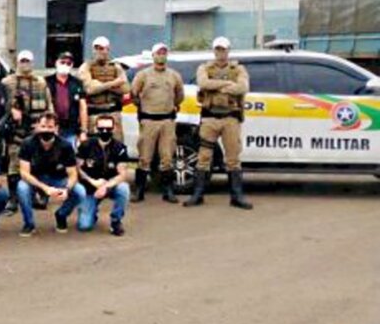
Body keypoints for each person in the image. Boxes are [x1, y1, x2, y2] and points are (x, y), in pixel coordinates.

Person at [185, 36, 253, 209]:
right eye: (217, 49)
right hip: (210, 118)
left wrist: (215, 86)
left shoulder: (238, 69)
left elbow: (243, 87)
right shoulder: (204, 67)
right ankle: (198, 194)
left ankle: (236, 196)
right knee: (204, 157)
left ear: (228, 50)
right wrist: (226, 84)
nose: (220, 53)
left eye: (223, 49)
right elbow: (203, 83)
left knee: (233, 158)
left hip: (231, 118)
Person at [16, 112, 86, 236]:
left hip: (58, 179)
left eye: (50, 127)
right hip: (35, 179)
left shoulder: (65, 146)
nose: (46, 130)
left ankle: (61, 215)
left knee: (80, 191)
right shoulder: (27, 143)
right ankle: (29, 224)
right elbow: (24, 173)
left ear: (56, 129)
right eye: (43, 126)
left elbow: (73, 174)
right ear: (36, 127)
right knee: (22, 187)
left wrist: (66, 189)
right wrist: (45, 189)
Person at [131, 42, 184, 203]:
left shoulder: (174, 75)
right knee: (145, 157)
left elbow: (179, 96)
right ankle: (139, 190)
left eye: (164, 53)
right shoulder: (143, 75)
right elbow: (134, 94)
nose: (161, 55)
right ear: (153, 55)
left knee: (167, 157)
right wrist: (143, 108)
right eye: (158, 53)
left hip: (167, 120)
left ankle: (167, 191)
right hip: (149, 120)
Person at [2, 49, 53, 213]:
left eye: (28, 61)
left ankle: (40, 195)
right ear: (17, 62)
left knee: (39, 164)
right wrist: (11, 112)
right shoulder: (7, 82)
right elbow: (0, 105)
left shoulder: (41, 82)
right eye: (22, 61)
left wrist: (50, 125)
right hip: (16, 132)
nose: (25, 64)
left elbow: (49, 105)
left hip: (36, 131)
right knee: (14, 165)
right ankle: (13, 199)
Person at [76, 115, 131, 236]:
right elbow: (78, 169)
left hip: (110, 185)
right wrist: (92, 181)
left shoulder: (120, 148)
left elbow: (122, 174)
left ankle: (116, 221)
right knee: (84, 226)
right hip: (90, 188)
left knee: (124, 188)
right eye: (101, 128)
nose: (104, 131)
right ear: (95, 128)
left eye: (108, 128)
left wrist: (105, 186)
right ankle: (91, 211)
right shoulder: (85, 146)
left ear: (114, 128)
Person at [79, 36, 129, 143]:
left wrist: (100, 85)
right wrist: (114, 83)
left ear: (108, 49)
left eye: (102, 48)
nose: (99, 51)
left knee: (116, 146)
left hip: (113, 112)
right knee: (95, 147)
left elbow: (125, 88)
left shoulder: (116, 66)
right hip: (94, 113)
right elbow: (89, 89)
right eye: (97, 48)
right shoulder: (86, 66)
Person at [50, 51, 88, 149]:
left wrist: (83, 131)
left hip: (71, 129)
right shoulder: (47, 81)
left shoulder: (77, 83)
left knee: (70, 157)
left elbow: (83, 107)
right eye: (62, 62)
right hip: (52, 128)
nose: (65, 65)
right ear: (56, 63)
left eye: (68, 63)